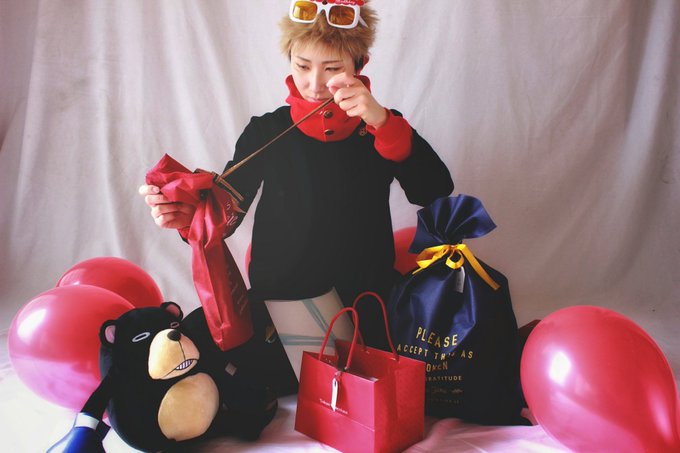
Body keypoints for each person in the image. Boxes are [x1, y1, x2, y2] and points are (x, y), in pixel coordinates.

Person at [139, 0, 453, 395]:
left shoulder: (379, 127)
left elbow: (434, 190)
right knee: (199, 340)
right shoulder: (266, 131)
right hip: (280, 301)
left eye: (332, 68)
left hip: (362, 304)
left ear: (360, 64)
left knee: (379, 379)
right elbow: (226, 215)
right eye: (302, 66)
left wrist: (385, 124)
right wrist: (186, 214)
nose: (315, 83)